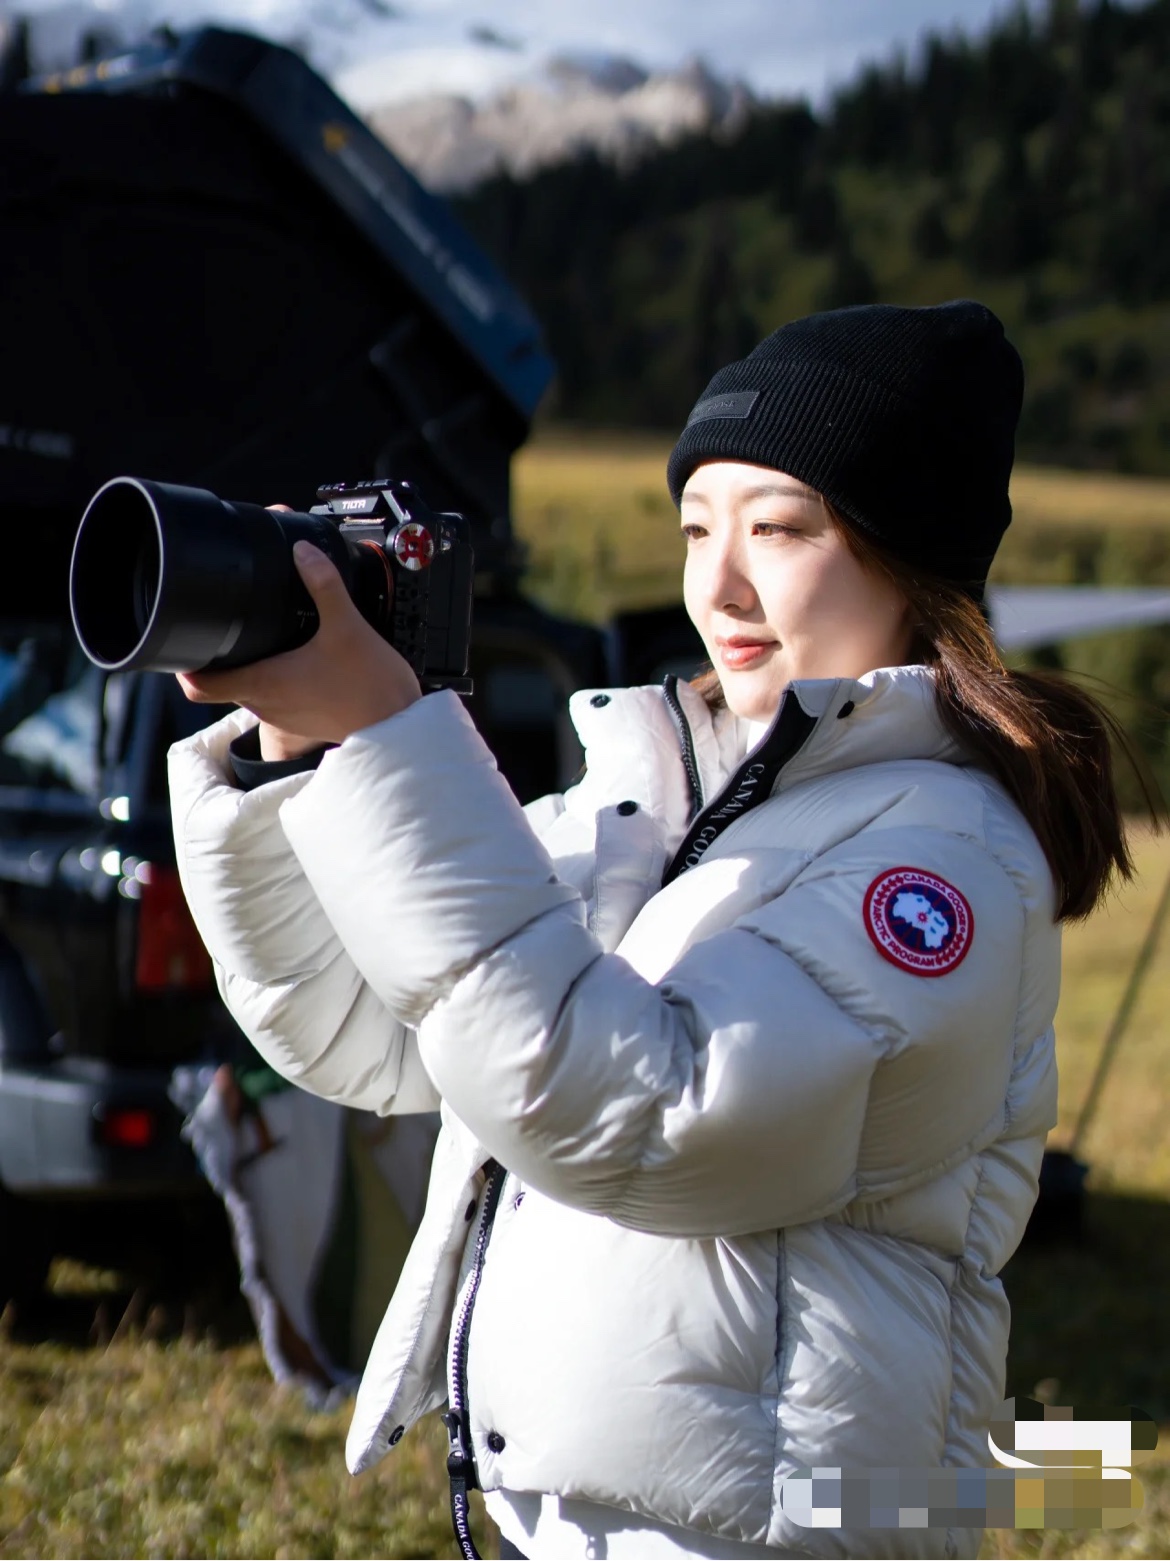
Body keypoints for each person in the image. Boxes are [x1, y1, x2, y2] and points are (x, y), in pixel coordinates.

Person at [169, 301, 1137, 1559]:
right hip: (581, 1517)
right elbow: (371, 1026)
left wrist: (398, 744)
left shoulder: (941, 853)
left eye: (781, 528)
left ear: (911, 556)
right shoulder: (660, 796)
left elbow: (651, 1116)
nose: (717, 584)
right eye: (695, 528)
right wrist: (302, 762)